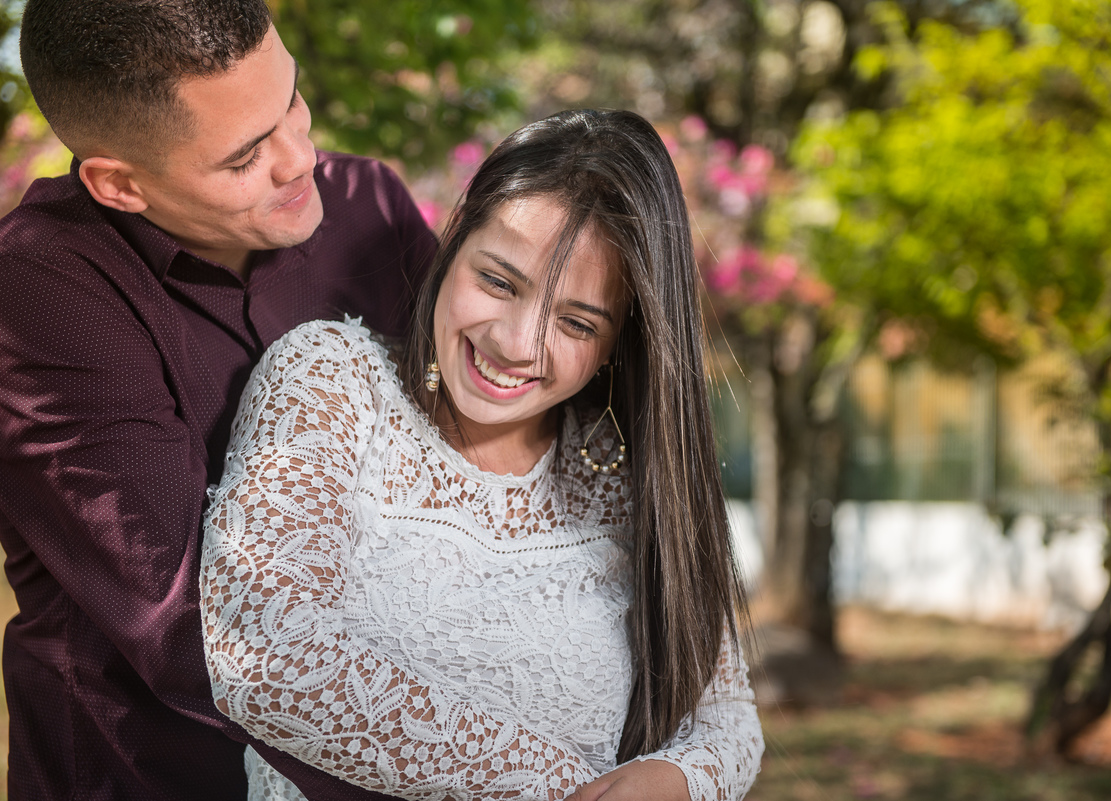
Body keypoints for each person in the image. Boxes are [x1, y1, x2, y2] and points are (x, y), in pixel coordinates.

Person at [200, 109, 765, 801]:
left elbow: (728, 718)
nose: (517, 342)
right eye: (499, 281)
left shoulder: (622, 472)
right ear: (456, 240)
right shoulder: (331, 380)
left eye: (577, 321)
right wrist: (558, 786)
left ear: (618, 341)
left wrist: (678, 778)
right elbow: (266, 658)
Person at [0, 1, 436, 799]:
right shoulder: (38, 297)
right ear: (119, 184)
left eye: (291, 100)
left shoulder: (372, 208)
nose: (301, 158)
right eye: (246, 156)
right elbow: (202, 633)